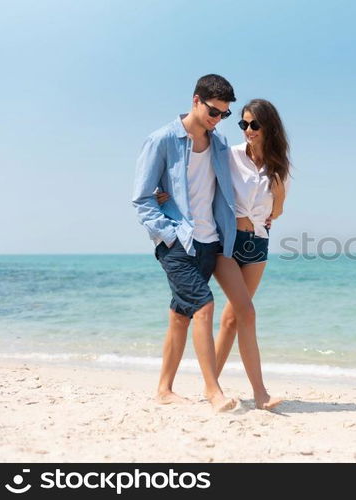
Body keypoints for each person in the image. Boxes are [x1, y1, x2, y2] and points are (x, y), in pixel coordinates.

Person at [157, 98, 290, 410]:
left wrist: (277, 193)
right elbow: (196, 178)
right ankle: (260, 394)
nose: (247, 130)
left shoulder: (278, 167)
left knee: (233, 319)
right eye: (243, 124)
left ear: (268, 126)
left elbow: (277, 212)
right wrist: (165, 195)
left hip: (258, 245)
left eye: (254, 124)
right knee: (246, 312)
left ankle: (210, 385)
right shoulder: (228, 156)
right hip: (226, 244)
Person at [132, 74, 239, 412]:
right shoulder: (162, 140)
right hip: (179, 243)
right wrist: (167, 231)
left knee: (180, 315)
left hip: (210, 243)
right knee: (204, 308)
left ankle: (164, 389)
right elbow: (142, 198)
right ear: (196, 100)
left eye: (223, 114)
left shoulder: (220, 145)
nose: (217, 119)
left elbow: (232, 187)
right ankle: (213, 391)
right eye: (213, 111)